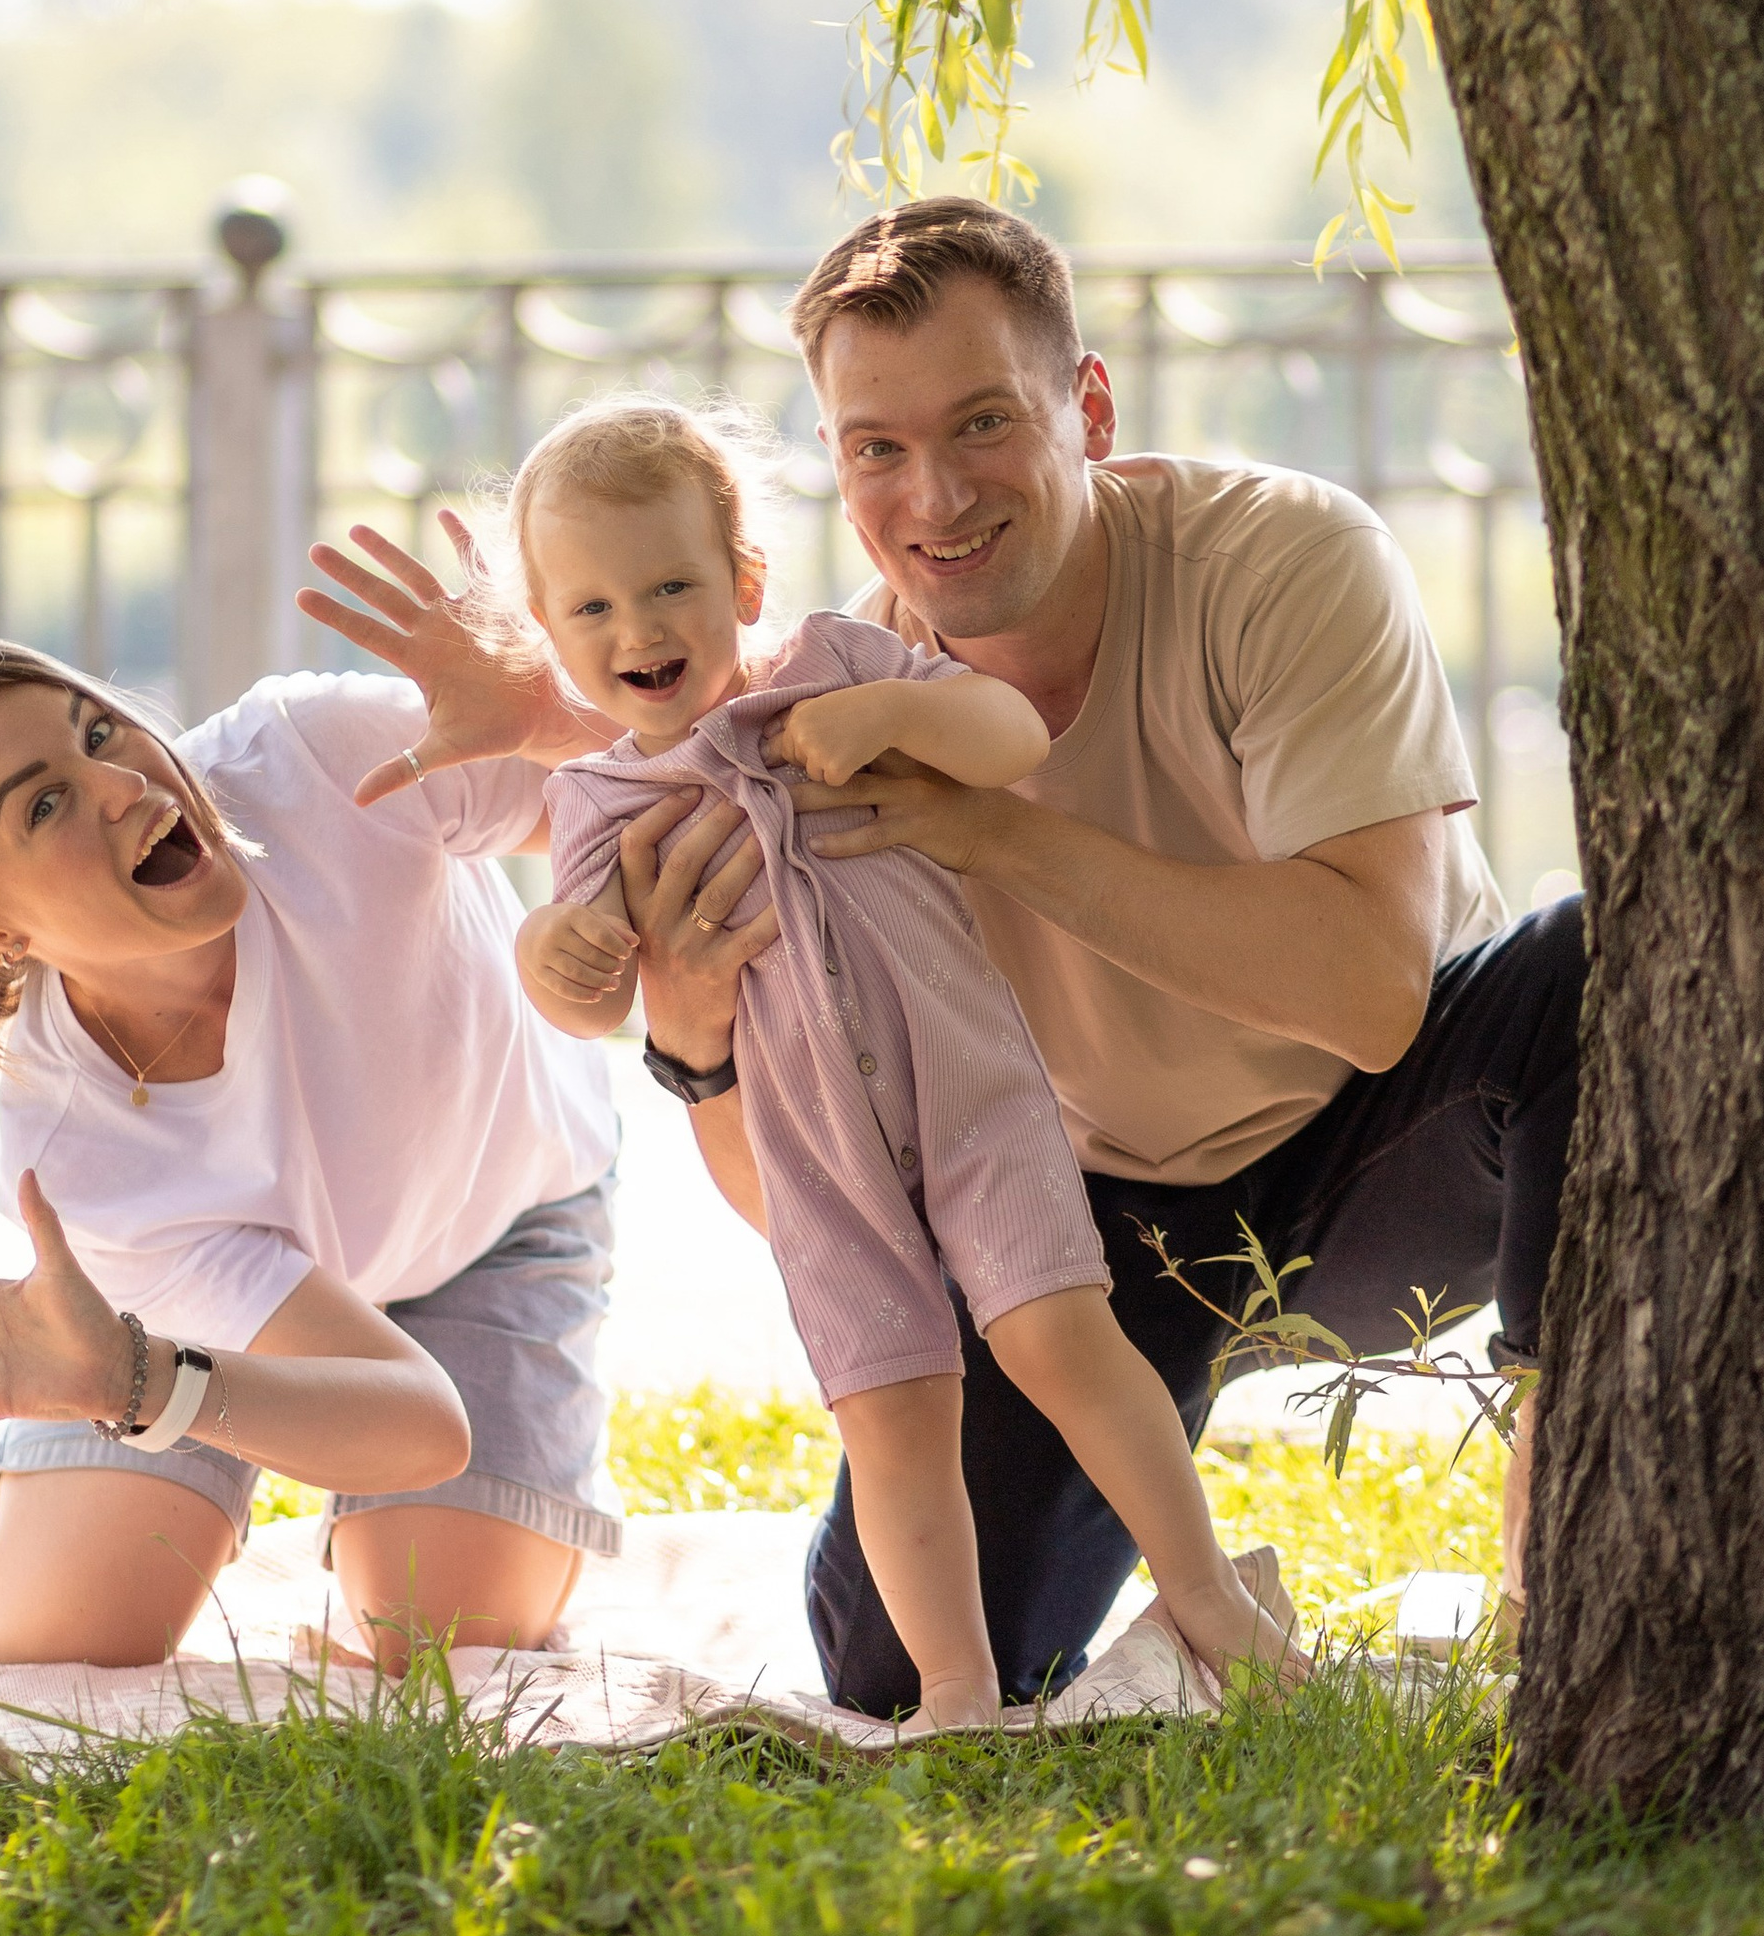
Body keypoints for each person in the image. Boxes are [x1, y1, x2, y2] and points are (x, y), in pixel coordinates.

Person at [309, 199, 1583, 1721]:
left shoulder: (1278, 558)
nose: (936, 495)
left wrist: (985, 830)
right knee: (896, 1664)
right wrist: (698, 1039)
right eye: (876, 449)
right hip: (1088, 1221)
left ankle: (1569, 1544)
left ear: (1087, 409)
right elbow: (806, 1181)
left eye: (984, 423)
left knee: (1592, 970)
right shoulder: (802, 718)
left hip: (1398, 1153)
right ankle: (1155, 1594)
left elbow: (1377, 998)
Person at [0, 622, 737, 1669]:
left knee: (447, 1629)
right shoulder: (82, 1161)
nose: (126, 785)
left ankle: (118, 1405)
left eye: (97, 732)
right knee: (68, 1629)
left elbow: (652, 790)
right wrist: (134, 1376)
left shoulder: (319, 758)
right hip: (217, 1323)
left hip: (496, 1217)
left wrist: (545, 712)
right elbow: (413, 1421)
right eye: (45, 804)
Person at [504, 398, 1298, 1726]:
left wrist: (887, 714)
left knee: (1061, 1334)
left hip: (974, 1096)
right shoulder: (601, 804)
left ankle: (1206, 1589)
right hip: (820, 1163)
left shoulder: (836, 662)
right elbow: (585, 992)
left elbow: (1011, 738)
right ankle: (953, 1688)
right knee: (893, 1413)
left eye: (670, 588)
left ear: (744, 582)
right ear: (551, 634)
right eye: (590, 611)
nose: (637, 631)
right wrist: (562, 953)